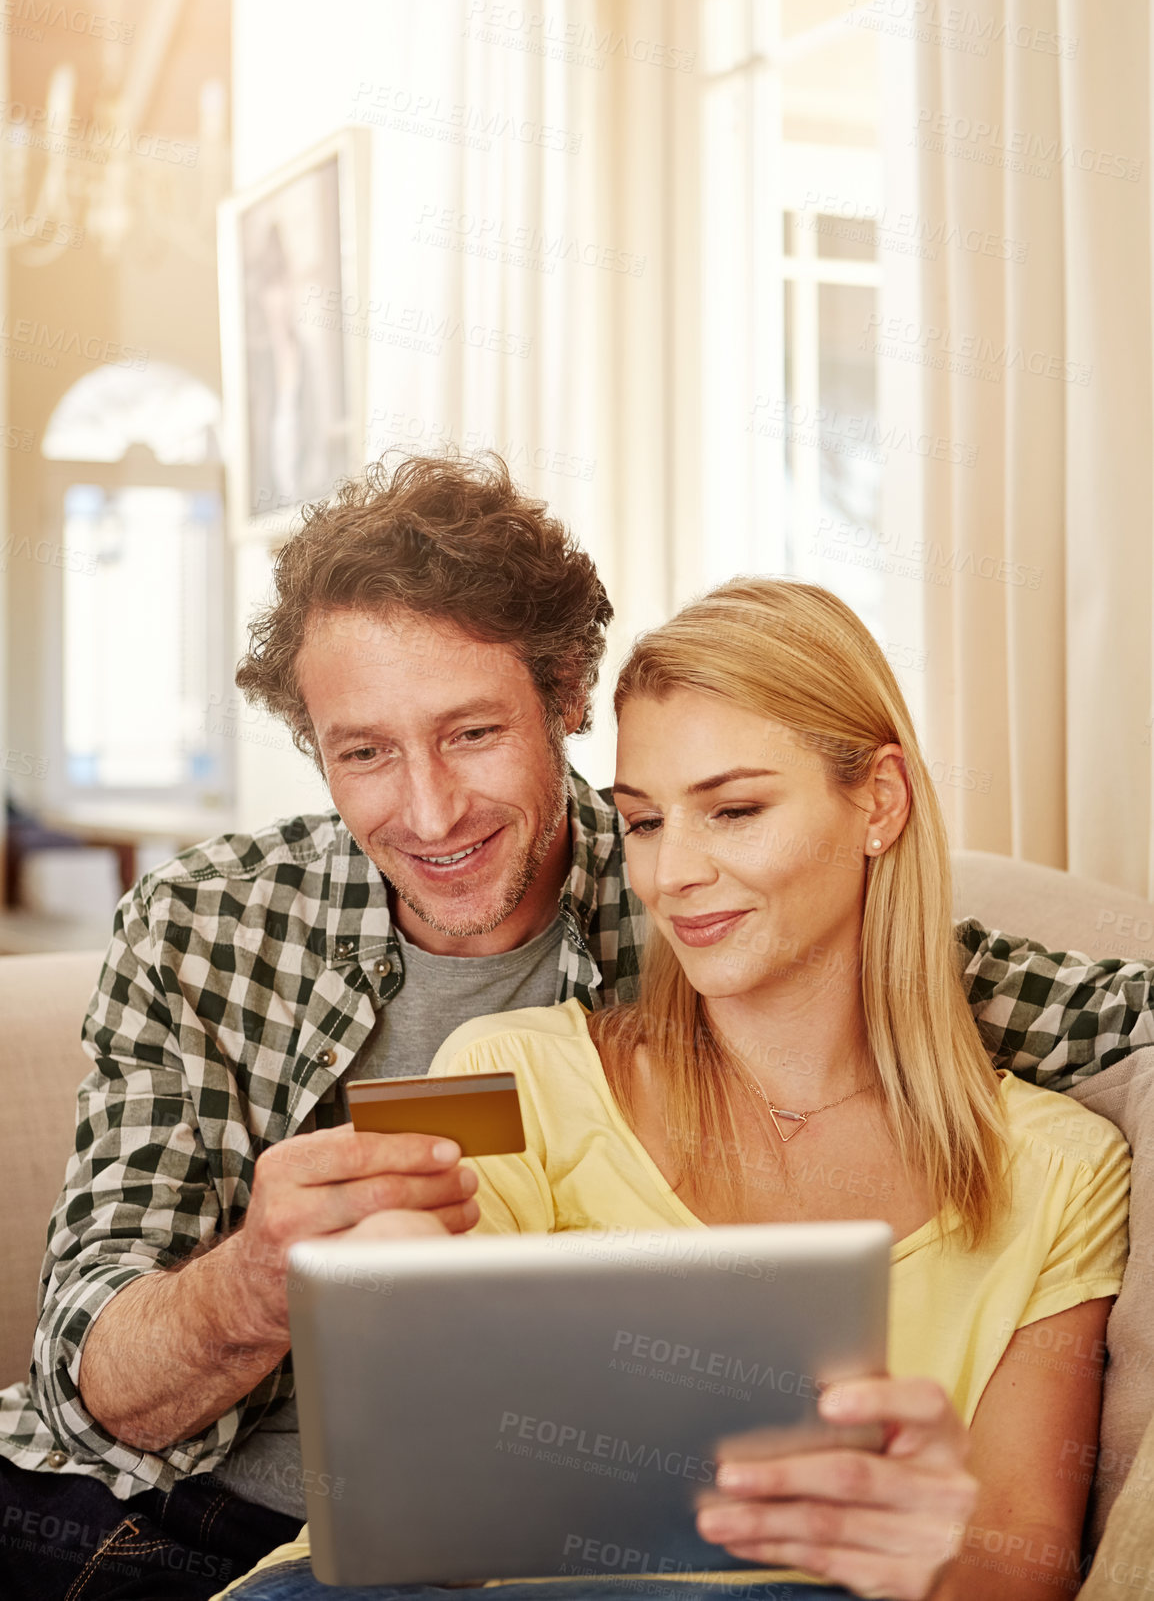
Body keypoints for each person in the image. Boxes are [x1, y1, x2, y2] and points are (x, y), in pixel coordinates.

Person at [0, 458, 1148, 1601]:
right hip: (144, 1498)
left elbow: (941, 987)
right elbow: (85, 1372)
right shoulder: (212, 924)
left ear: (565, 697)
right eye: (364, 752)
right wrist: (252, 1283)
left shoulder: (703, 914)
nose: (430, 809)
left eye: (470, 733)